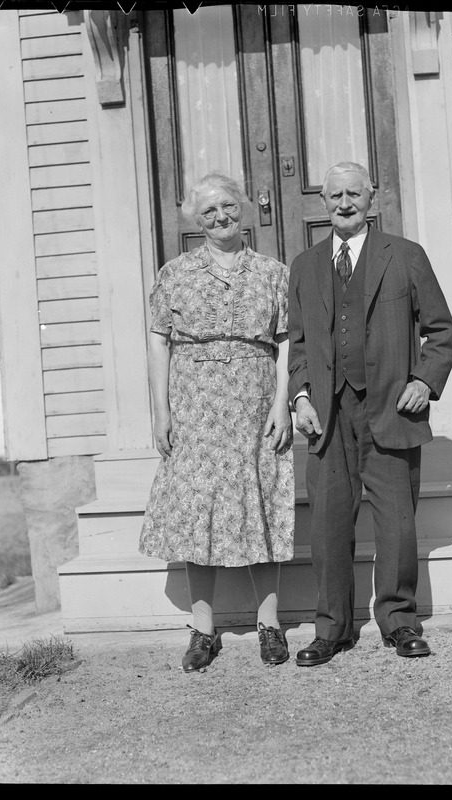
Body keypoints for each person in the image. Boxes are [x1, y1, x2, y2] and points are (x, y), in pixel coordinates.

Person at [288, 162, 452, 666]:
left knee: (397, 522)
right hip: (328, 414)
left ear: (372, 198)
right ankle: (332, 627)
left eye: (354, 194)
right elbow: (297, 346)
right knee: (328, 524)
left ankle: (400, 621)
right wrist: (300, 397)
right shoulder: (304, 265)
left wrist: (424, 381)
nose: (344, 203)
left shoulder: (404, 256)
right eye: (335, 195)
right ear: (323, 202)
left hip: (389, 408)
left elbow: (441, 331)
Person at [139, 172, 294, 672]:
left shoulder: (273, 272)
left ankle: (270, 624)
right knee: (199, 511)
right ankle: (203, 631)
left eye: (228, 206)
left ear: (244, 209)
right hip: (194, 403)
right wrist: (161, 412)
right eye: (209, 211)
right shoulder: (175, 273)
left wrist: (281, 403)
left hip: (254, 399)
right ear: (195, 220)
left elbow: (287, 339)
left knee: (258, 505)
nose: (221, 217)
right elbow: (159, 339)